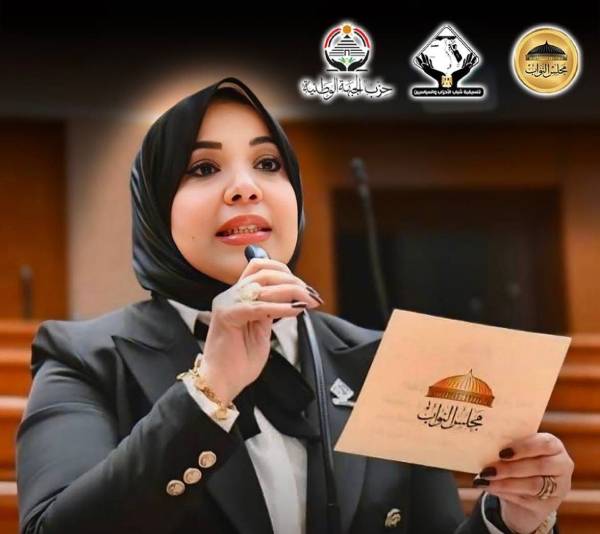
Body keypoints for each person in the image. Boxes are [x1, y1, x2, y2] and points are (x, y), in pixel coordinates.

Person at [15, 76, 572, 534]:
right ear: (156, 209)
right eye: (203, 168)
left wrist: (512, 522)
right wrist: (209, 389)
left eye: (268, 164)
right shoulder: (84, 356)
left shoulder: (380, 358)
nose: (245, 188)